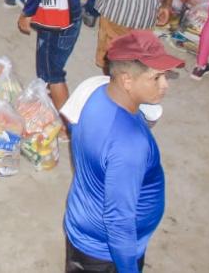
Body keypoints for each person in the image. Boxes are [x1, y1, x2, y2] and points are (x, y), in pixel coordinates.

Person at [62, 30, 182, 272]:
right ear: (127, 80)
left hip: (81, 221)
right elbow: (119, 223)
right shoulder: (130, 146)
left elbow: (72, 122)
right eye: (156, 78)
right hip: (105, 254)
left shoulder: (93, 89)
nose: (165, 85)